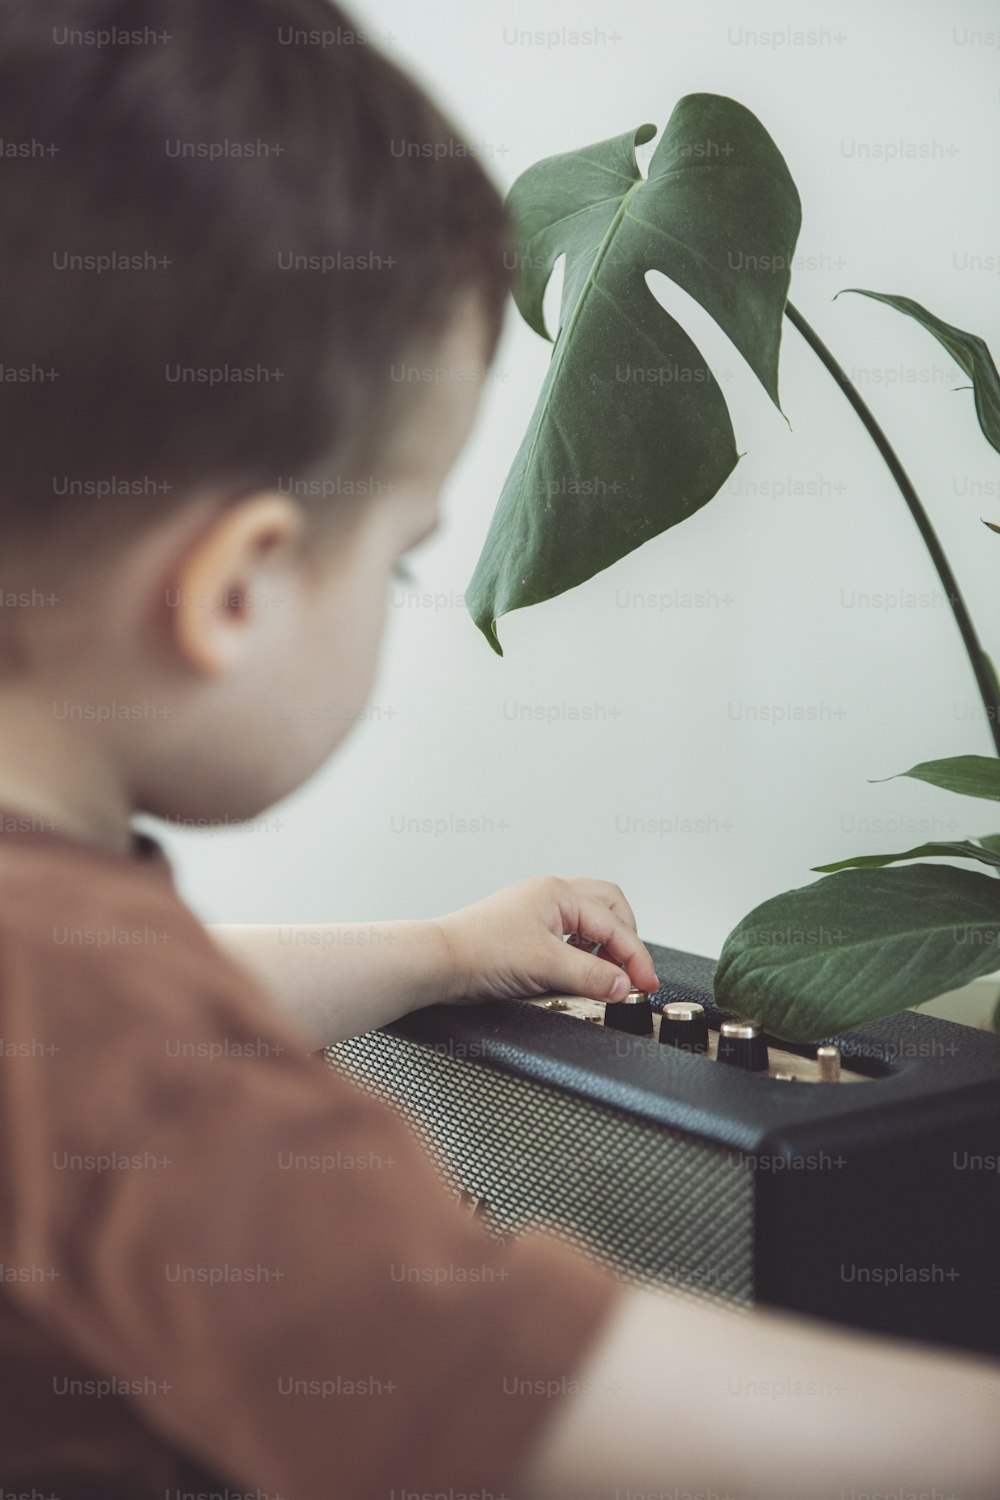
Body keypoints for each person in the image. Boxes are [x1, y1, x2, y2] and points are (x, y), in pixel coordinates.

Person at [0, 2, 996, 1496]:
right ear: (235, 590)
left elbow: (151, 1022)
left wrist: (445, 950)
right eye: (401, 559)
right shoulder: (108, 1035)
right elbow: (520, 1395)